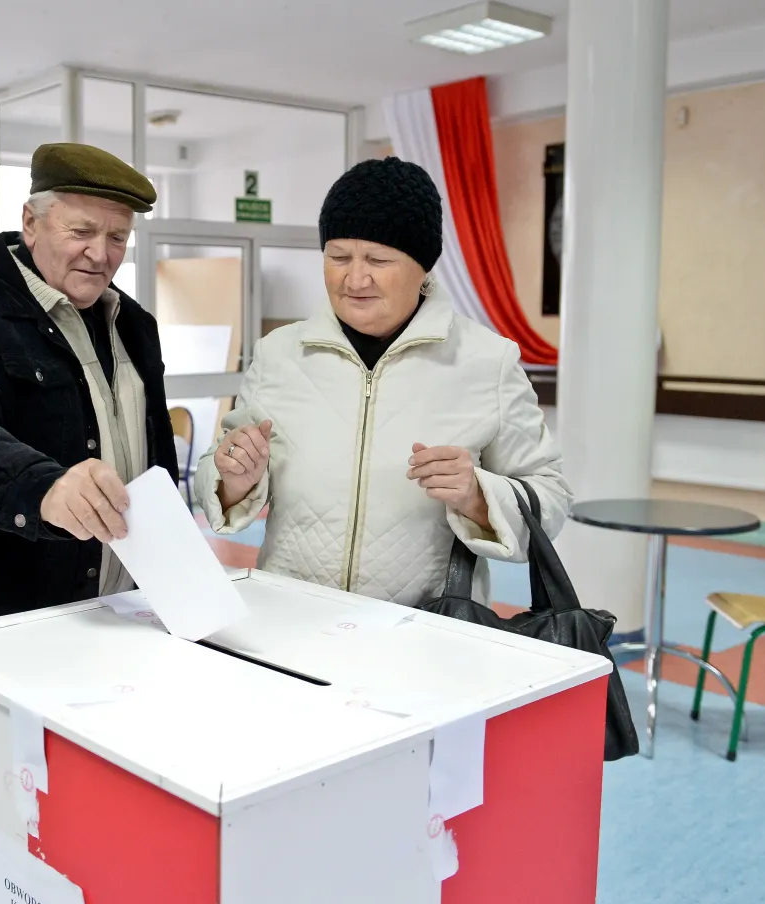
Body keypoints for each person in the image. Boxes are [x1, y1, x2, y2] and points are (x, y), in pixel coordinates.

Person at [194, 157, 570, 606]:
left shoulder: (487, 362)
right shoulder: (279, 354)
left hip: (425, 635)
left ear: (423, 265)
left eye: (378, 259)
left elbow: (550, 498)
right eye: (338, 257)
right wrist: (234, 476)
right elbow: (216, 472)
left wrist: (477, 496)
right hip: (292, 620)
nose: (355, 278)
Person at [0, 143, 178, 629]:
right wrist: (42, 487)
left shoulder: (134, 323)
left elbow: (155, 457)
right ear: (31, 222)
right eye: (82, 231)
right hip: (4, 618)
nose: (100, 253)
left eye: (117, 236)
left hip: (126, 609)